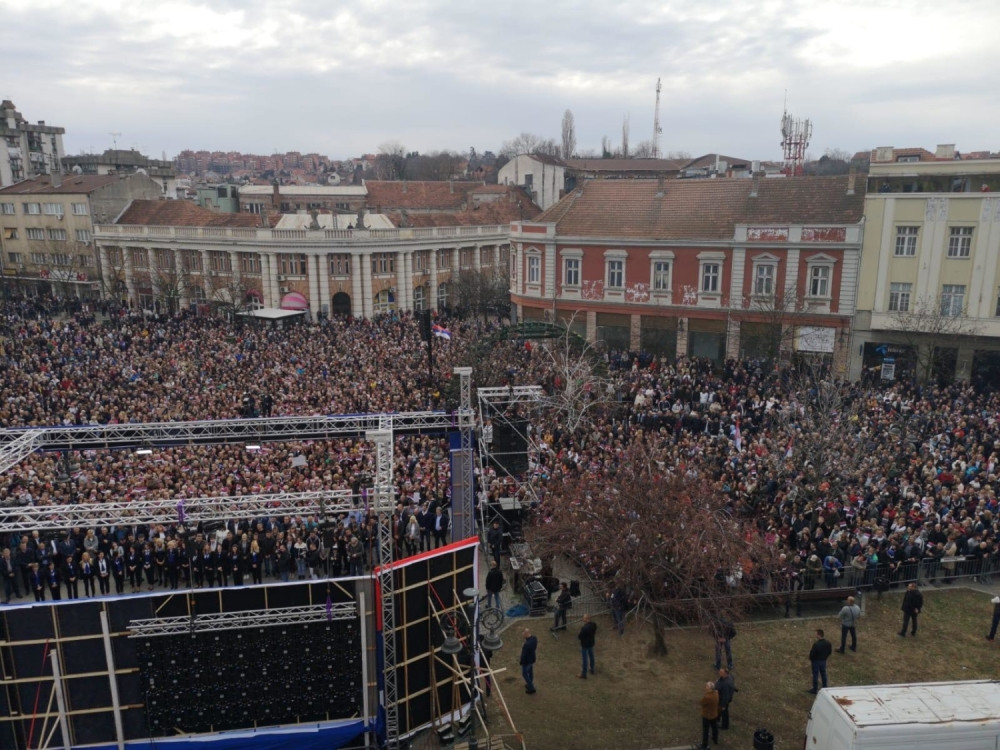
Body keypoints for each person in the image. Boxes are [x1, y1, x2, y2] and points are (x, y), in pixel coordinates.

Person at [808, 629, 832, 693]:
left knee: (815, 675)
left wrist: (811, 659)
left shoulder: (816, 644)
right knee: (823, 674)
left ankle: (815, 689)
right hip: (823, 661)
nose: (815, 635)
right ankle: (825, 687)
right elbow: (829, 652)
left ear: (819, 635)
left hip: (816, 661)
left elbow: (812, 654)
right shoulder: (828, 643)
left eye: (816, 634)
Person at [699, 680, 720, 749]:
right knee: (714, 728)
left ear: (710, 688)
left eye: (707, 686)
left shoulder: (707, 697)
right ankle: (715, 739)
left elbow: (701, 703)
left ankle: (704, 745)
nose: (705, 687)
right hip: (714, 714)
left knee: (706, 730)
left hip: (707, 716)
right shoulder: (716, 693)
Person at [577, 613, 597, 678]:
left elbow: (580, 637)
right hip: (591, 643)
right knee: (591, 656)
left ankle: (584, 674)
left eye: (583, 618)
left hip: (585, 645)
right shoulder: (594, 625)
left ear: (586, 619)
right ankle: (592, 669)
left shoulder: (584, 628)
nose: (582, 619)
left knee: (585, 659)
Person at [519, 628, 538, 694]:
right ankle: (530, 683)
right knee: (530, 672)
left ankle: (531, 688)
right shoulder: (534, 638)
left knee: (524, 674)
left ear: (526, 634)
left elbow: (524, 655)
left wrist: (521, 661)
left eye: (523, 634)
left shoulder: (526, 645)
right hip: (532, 659)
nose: (523, 635)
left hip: (526, 661)